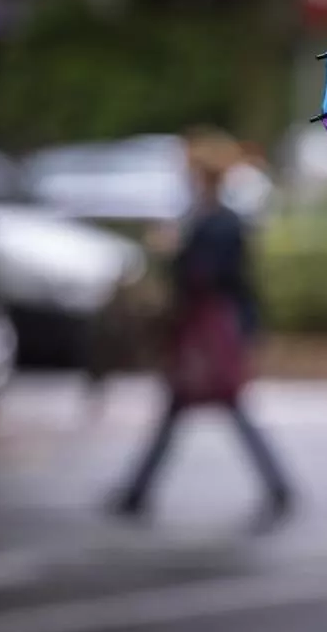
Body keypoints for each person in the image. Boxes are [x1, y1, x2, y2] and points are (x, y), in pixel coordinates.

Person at [111, 126, 291, 525]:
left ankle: (137, 493)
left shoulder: (217, 222)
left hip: (209, 328)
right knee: (197, 406)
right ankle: (137, 492)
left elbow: (211, 275)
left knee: (216, 403)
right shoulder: (209, 218)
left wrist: (173, 250)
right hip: (207, 326)